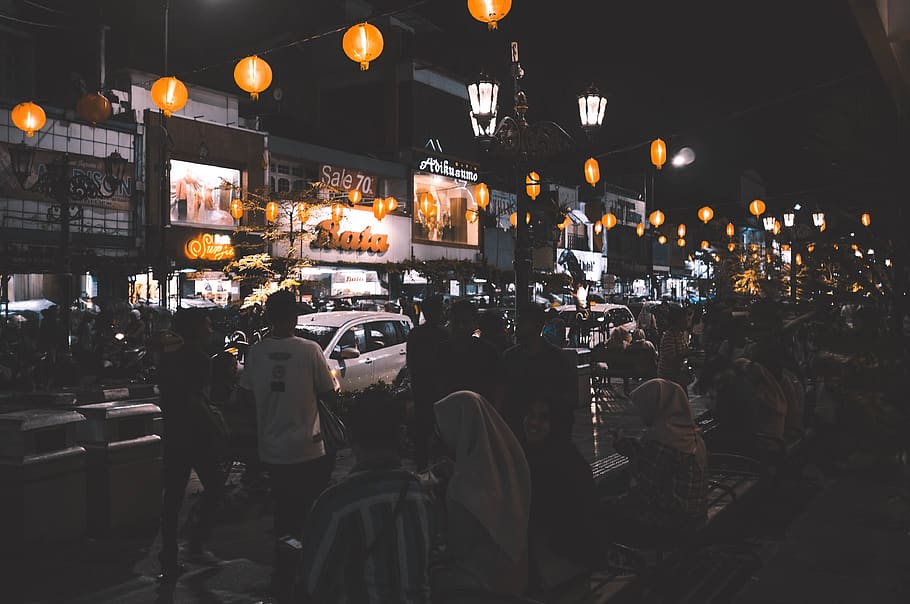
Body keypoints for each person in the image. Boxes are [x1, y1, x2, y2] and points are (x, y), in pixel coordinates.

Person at [238, 290, 337, 588]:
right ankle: (306, 568)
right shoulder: (310, 350)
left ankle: (284, 571)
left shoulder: (255, 353)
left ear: (269, 318)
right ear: (294, 318)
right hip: (309, 448)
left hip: (272, 450)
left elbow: (246, 396)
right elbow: (329, 393)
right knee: (308, 511)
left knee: (283, 512)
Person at [300, 385, 435, 603]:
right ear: (400, 435)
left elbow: (313, 584)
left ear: (350, 435)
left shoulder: (335, 504)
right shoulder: (421, 494)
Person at [431, 391, 531, 602]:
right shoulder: (510, 458)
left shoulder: (463, 488)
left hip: (483, 585)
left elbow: (457, 546)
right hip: (519, 569)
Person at [155, 308, 227, 580]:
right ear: (196, 329)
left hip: (174, 434)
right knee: (215, 487)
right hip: (197, 436)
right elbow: (199, 399)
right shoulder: (200, 359)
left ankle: (170, 555)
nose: (210, 331)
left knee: (172, 499)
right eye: (207, 326)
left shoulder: (167, 358)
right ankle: (195, 542)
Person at [522, 397, 599, 596]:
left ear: (557, 424)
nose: (532, 422)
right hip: (573, 561)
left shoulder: (549, 466)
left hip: (563, 565)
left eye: (542, 418)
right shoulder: (561, 454)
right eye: (530, 415)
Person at [610, 379, 708, 535]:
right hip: (695, 511)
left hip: (673, 520)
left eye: (643, 408)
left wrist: (617, 501)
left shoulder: (664, 439)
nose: (641, 414)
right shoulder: (688, 433)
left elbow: (645, 483)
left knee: (606, 511)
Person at [498, 304, 576, 436]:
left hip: (545, 429)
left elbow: (565, 399)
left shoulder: (556, 359)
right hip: (515, 427)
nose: (517, 326)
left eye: (522, 322)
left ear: (537, 325)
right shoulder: (510, 356)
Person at [406, 294, 450, 471]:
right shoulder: (444, 334)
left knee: (422, 428)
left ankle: (422, 464)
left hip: (422, 388)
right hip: (439, 389)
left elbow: (411, 363)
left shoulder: (416, 333)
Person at [441, 300, 500, 401]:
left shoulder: (488, 352)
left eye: (465, 322)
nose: (460, 327)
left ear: (475, 323)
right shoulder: (442, 350)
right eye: (456, 322)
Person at [658, 305, 690, 387]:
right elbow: (673, 358)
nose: (688, 321)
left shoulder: (681, 334)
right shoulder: (669, 335)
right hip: (669, 377)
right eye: (686, 319)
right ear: (678, 320)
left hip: (678, 373)